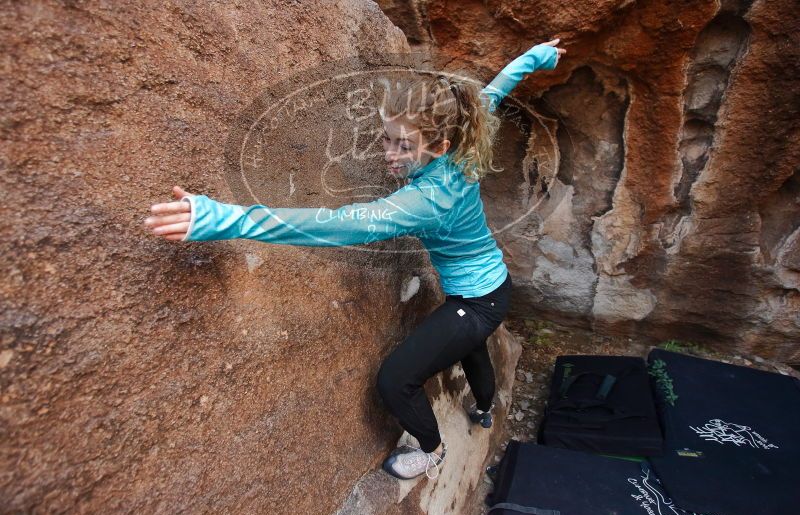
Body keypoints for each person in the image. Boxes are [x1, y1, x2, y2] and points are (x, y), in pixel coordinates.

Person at [144, 39, 566, 481]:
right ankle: (484, 407)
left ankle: (433, 451)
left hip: (478, 300)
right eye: (386, 138)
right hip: (491, 284)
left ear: (439, 147)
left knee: (396, 380)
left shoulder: (427, 200)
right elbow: (494, 91)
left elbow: (337, 224)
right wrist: (536, 56)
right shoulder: (464, 128)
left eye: (404, 146)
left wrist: (224, 218)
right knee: (472, 348)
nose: (389, 153)